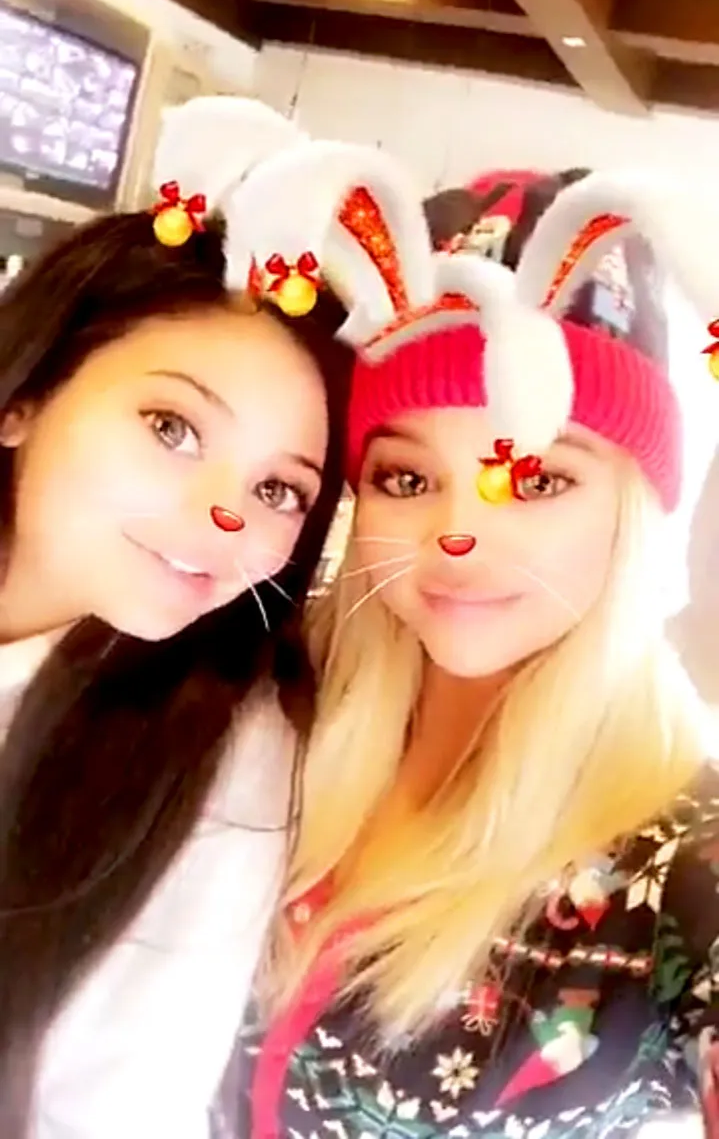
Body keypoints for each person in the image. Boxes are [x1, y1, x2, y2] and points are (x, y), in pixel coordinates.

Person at [212, 167, 719, 1138]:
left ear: (631, 508)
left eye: (534, 479)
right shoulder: (266, 699)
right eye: (406, 476)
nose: (457, 537)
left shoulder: (677, 858)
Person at [0, 95, 434, 1139]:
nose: (224, 515)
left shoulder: (219, 761)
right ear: (25, 397)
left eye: (280, 489)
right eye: (173, 426)